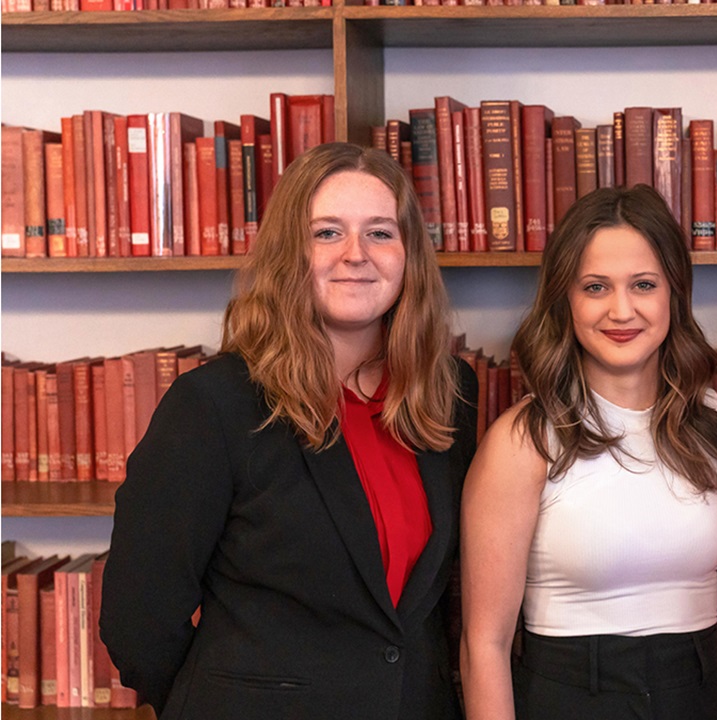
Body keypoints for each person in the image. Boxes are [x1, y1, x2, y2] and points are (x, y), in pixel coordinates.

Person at [100, 142, 477, 720]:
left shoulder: (448, 393)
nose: (356, 254)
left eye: (380, 233)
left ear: (409, 256)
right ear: (288, 252)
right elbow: (139, 618)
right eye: (327, 232)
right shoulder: (214, 405)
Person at [459, 185, 717, 720]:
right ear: (566, 299)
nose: (621, 310)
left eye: (644, 285)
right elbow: (484, 643)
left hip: (699, 695)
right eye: (596, 287)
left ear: (674, 293)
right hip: (567, 696)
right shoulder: (522, 441)